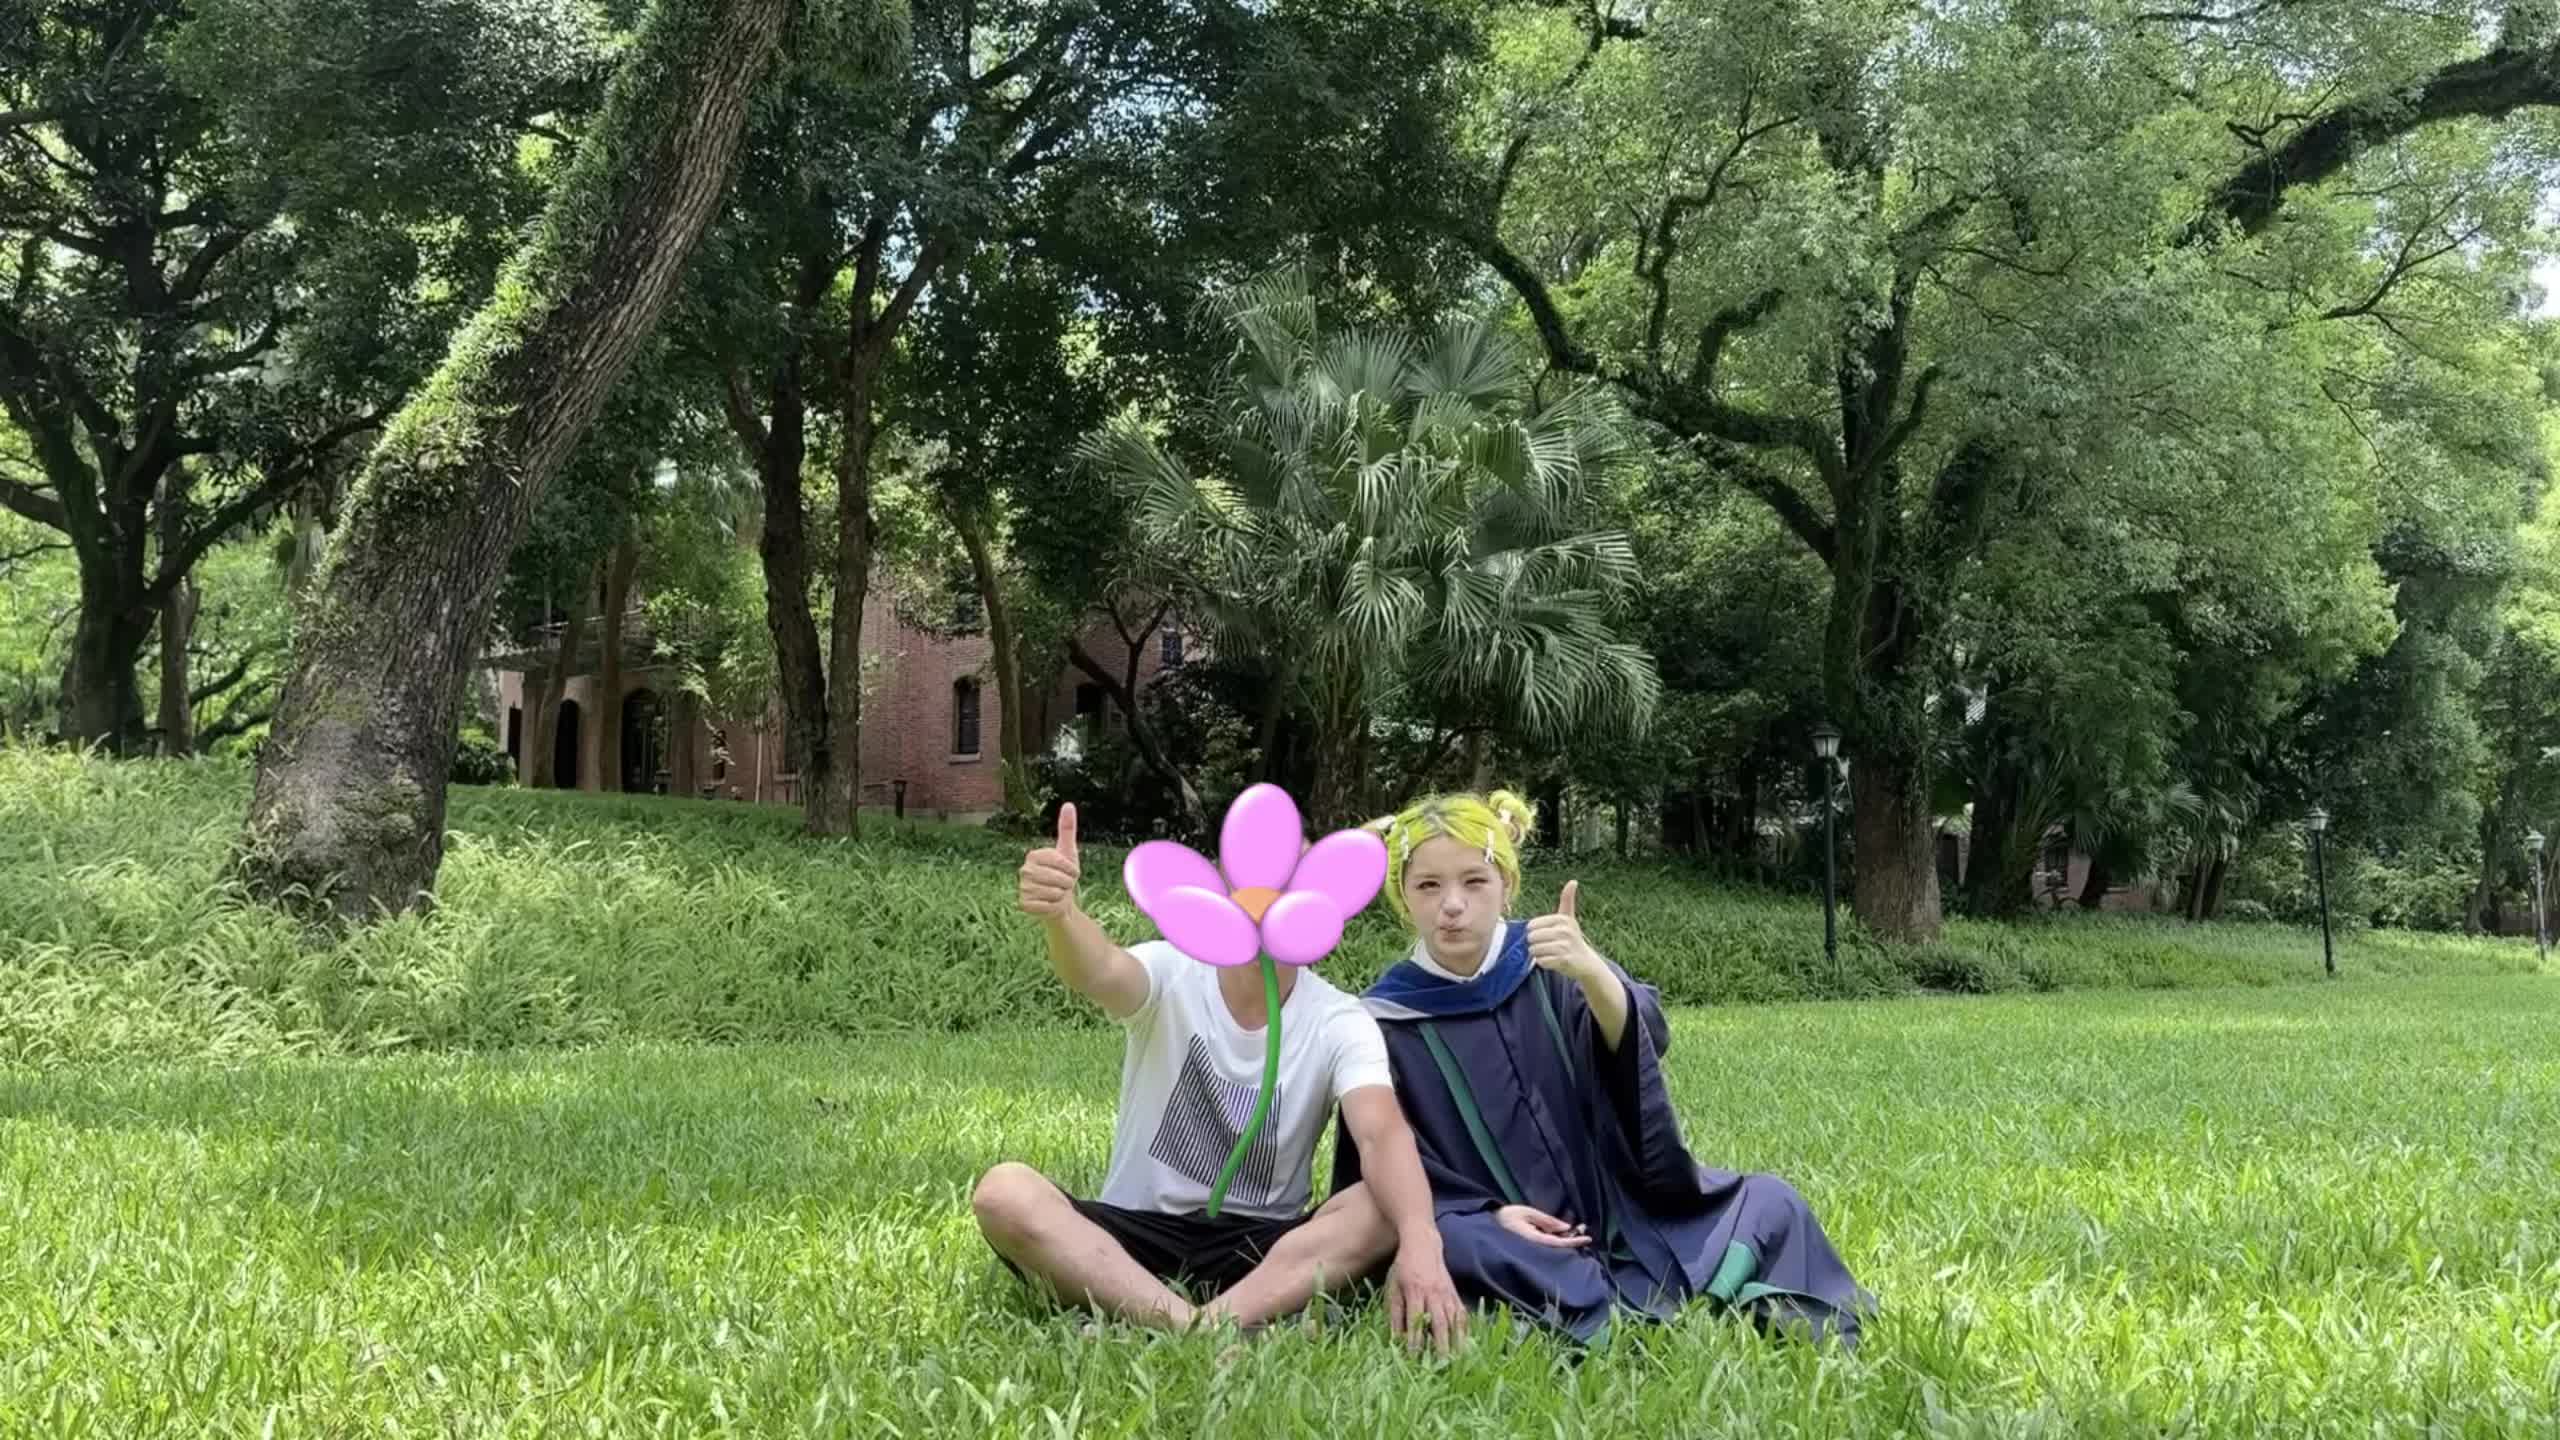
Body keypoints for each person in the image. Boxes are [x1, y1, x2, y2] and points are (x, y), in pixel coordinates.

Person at [1330, 791, 1873, 1347]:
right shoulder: (1385, 1019)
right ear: (1403, 897)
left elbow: (1645, 1040)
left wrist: (1592, 972)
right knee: (1458, 1246)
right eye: (1428, 886)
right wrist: (1489, 1215)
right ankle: (1584, 1305)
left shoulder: (1553, 957)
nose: (1452, 904)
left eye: (1475, 881)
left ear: (1506, 886)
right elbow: (1385, 1165)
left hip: (1617, 1205)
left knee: (1771, 1201)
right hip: (1503, 1231)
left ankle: (1576, 1308)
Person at [972, 803, 1469, 1349]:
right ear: (1219, 884)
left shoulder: (1339, 1019)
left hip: (1263, 1250)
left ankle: (1163, 1321)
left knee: (1381, 1207)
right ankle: (1202, 1328)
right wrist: (1062, 916)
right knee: (1004, 1192)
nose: (1268, 900)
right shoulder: (1170, 970)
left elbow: (1381, 1132)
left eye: (1291, 881)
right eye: (1254, 878)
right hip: (1134, 1235)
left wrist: (1421, 1239)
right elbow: (1101, 970)